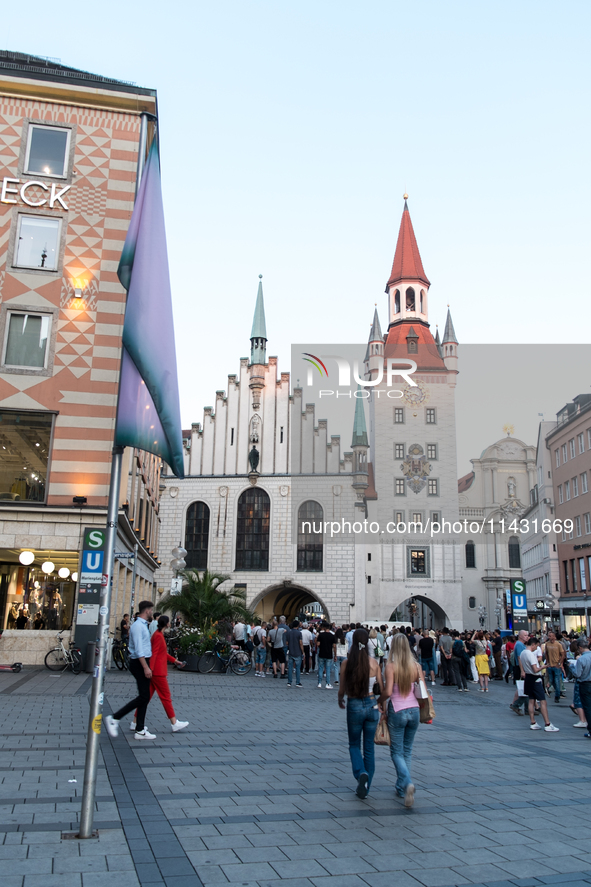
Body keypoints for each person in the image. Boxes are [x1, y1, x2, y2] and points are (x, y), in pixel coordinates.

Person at [338, 628, 383, 799]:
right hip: (372, 705)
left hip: (354, 704)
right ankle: (366, 786)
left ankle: (360, 773)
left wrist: (340, 699)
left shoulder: (346, 663)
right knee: (369, 749)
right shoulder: (374, 663)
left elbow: (341, 689)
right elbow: (382, 688)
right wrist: (381, 704)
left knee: (354, 745)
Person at [378, 633, 423, 807]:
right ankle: (401, 786)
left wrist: (379, 701)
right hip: (414, 710)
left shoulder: (391, 666)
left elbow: (388, 692)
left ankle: (406, 783)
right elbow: (423, 691)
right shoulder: (416, 666)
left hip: (397, 710)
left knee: (396, 752)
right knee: (407, 750)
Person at [106, 600, 157, 740]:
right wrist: (146, 667)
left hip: (142, 661)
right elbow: (139, 649)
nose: (152, 612)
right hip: (140, 662)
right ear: (147, 611)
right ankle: (115, 717)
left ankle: (140, 728)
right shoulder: (138, 627)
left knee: (144, 695)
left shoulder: (141, 625)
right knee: (143, 696)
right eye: (151, 610)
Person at [131, 615, 189, 733]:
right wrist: (150, 669)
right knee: (166, 696)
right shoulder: (158, 636)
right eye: (169, 622)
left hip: (155, 671)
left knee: (146, 697)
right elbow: (155, 653)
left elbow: (162, 653)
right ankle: (174, 723)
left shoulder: (158, 634)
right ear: (166, 624)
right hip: (158, 672)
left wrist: (175, 661)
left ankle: (135, 722)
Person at [519, 636, 559, 732]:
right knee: (542, 701)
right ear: (533, 645)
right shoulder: (530, 654)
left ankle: (533, 722)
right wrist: (543, 666)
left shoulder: (523, 653)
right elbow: (535, 669)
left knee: (531, 700)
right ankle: (547, 724)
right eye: (536, 646)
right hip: (535, 678)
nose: (537, 648)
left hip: (528, 678)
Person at [568, 637, 591, 736]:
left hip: (585, 684)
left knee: (587, 707)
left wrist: (571, 667)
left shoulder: (581, 659)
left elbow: (577, 674)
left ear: (580, 648)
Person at [543, 631, 565, 704]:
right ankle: (556, 691)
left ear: (554, 637)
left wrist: (559, 663)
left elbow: (563, 654)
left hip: (556, 666)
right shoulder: (547, 644)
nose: (549, 637)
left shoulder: (558, 645)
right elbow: (546, 653)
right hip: (550, 665)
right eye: (548, 636)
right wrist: (548, 662)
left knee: (557, 680)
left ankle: (557, 696)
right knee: (551, 680)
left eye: (550, 636)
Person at [317, 622, 336, 689]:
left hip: (321, 653)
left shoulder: (321, 635)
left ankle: (319, 683)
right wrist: (335, 655)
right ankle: (327, 683)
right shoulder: (332, 636)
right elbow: (334, 646)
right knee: (328, 669)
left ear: (324, 628)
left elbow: (318, 644)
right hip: (329, 654)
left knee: (320, 668)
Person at [286, 620, 304, 687]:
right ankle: (297, 682)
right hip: (297, 652)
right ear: (298, 625)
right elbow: (300, 643)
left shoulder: (289, 633)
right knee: (297, 668)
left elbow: (287, 643)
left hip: (291, 652)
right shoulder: (299, 633)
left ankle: (289, 682)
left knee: (290, 667)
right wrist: (303, 651)